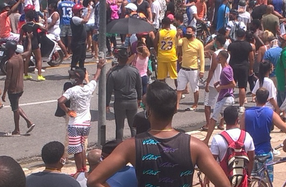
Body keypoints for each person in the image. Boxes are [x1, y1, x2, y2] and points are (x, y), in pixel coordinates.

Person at [87, 81, 230, 187]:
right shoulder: (195, 146)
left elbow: (93, 180)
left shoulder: (131, 146)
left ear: (148, 110)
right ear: (175, 109)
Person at [58, 60, 103, 174]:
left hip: (75, 123)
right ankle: (84, 169)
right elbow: (95, 78)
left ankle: (79, 171)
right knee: (82, 146)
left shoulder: (72, 90)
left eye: (73, 76)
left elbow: (60, 101)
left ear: (77, 78)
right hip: (86, 122)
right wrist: (99, 67)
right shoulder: (89, 88)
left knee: (76, 149)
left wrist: (68, 111)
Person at [242, 88, 286, 183]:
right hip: (265, 152)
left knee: (248, 181)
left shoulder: (246, 114)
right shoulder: (270, 113)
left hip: (249, 153)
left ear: (255, 98)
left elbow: (241, 135)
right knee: (265, 182)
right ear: (267, 99)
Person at [210, 106, 255, 182]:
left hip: (224, 181)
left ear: (224, 120)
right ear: (237, 119)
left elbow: (211, 162)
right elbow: (251, 158)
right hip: (242, 180)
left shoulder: (217, 138)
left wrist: (207, 177)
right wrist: (248, 175)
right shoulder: (247, 136)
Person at [106, 47, 142, 140]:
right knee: (133, 126)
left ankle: (119, 145)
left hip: (120, 101)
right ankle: (135, 146)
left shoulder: (113, 73)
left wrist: (107, 104)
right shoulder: (134, 71)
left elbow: (109, 90)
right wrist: (139, 99)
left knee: (119, 127)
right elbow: (139, 86)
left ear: (118, 59)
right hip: (132, 100)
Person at [1, 40, 35, 136]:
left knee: (15, 109)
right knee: (16, 106)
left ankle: (17, 129)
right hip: (21, 87)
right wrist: (29, 39)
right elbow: (29, 51)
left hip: (13, 89)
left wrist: (4, 93)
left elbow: (8, 79)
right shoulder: (20, 57)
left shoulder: (10, 62)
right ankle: (28, 122)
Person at [202, 50, 236, 144]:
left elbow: (233, 84)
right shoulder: (228, 68)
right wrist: (220, 82)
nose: (217, 59)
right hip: (226, 97)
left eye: (219, 57)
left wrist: (221, 87)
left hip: (225, 98)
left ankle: (207, 139)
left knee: (214, 119)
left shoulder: (225, 70)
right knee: (227, 120)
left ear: (224, 58)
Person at [176, 26, 205, 111]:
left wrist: (202, 70)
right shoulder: (184, 40)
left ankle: (195, 104)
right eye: (187, 32)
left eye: (189, 32)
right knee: (179, 88)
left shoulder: (199, 43)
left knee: (195, 89)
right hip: (183, 69)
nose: (187, 34)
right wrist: (178, 35)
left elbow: (202, 58)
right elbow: (178, 43)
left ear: (193, 33)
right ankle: (177, 105)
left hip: (193, 70)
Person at [228, 28, 254, 110]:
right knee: (242, 87)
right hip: (244, 66)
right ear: (244, 35)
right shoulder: (248, 45)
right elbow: (251, 58)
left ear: (236, 35)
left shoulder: (231, 45)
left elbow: (228, 56)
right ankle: (241, 105)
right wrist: (251, 68)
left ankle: (229, 102)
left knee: (231, 85)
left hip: (233, 66)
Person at [154, 17, 178, 82]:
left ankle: (162, 90)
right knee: (175, 76)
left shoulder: (159, 33)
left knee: (161, 77)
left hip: (162, 56)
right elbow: (178, 44)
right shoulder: (174, 32)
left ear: (163, 24)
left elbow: (155, 43)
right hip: (172, 56)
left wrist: (157, 52)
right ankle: (178, 90)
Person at [70, 3, 92, 70]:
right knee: (76, 57)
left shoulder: (79, 18)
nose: (81, 13)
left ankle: (81, 70)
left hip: (82, 42)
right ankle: (73, 70)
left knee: (82, 58)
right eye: (80, 11)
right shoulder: (75, 18)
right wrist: (89, 12)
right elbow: (85, 21)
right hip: (77, 42)